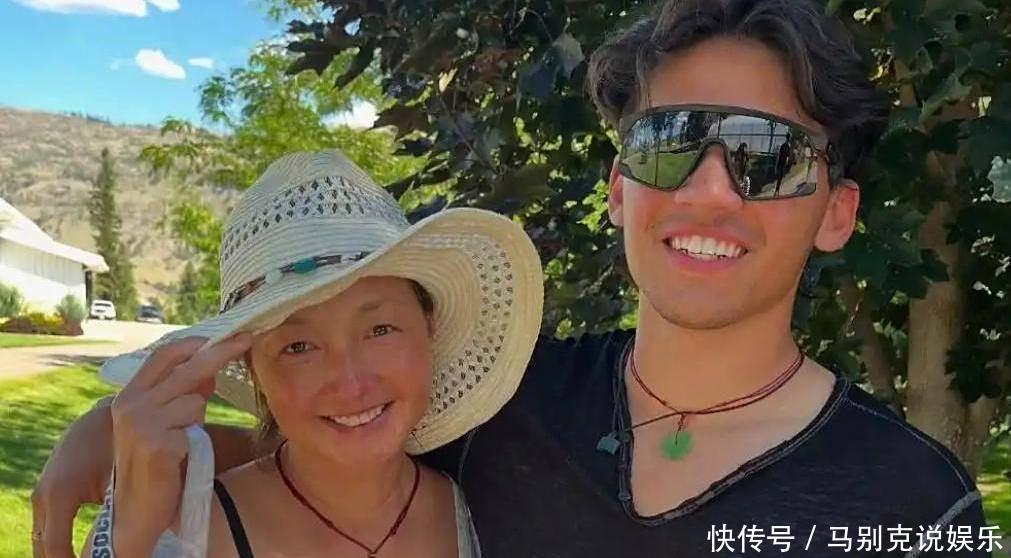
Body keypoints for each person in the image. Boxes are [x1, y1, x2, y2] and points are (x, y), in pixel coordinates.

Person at [33, 1, 993, 557]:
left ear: (836, 212)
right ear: (618, 189)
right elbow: (327, 434)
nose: (708, 190)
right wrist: (116, 434)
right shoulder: (500, 409)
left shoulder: (913, 506)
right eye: (669, 142)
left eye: (766, 156)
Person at [79, 149, 543, 557]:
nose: (351, 382)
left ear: (429, 328)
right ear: (252, 369)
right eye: (298, 347)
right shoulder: (179, 533)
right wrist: (129, 538)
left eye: (380, 330)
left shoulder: (489, 515)